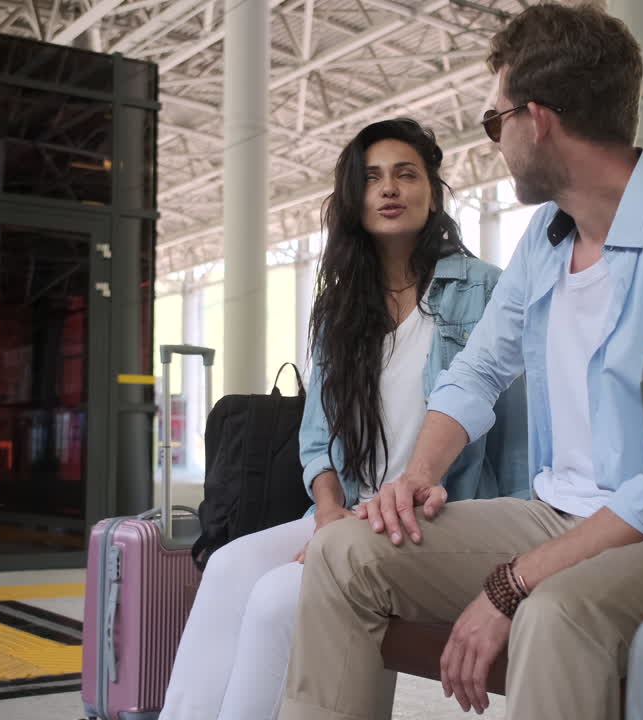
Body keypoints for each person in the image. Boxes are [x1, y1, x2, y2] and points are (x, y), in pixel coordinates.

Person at [278, 5, 643, 720]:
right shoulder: (546, 240)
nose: (495, 140)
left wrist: (512, 583)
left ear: (538, 120)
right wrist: (416, 479)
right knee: (345, 552)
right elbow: (477, 371)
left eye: (494, 121)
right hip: (553, 513)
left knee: (552, 612)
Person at [159, 118, 529, 720]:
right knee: (228, 567)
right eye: (373, 178)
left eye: (406, 174)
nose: (389, 189)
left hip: (433, 520)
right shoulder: (340, 307)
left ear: (432, 191)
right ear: (354, 199)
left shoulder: (483, 290)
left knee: (279, 599)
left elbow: (516, 432)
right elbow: (316, 440)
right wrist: (328, 512)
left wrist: (513, 560)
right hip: (345, 512)